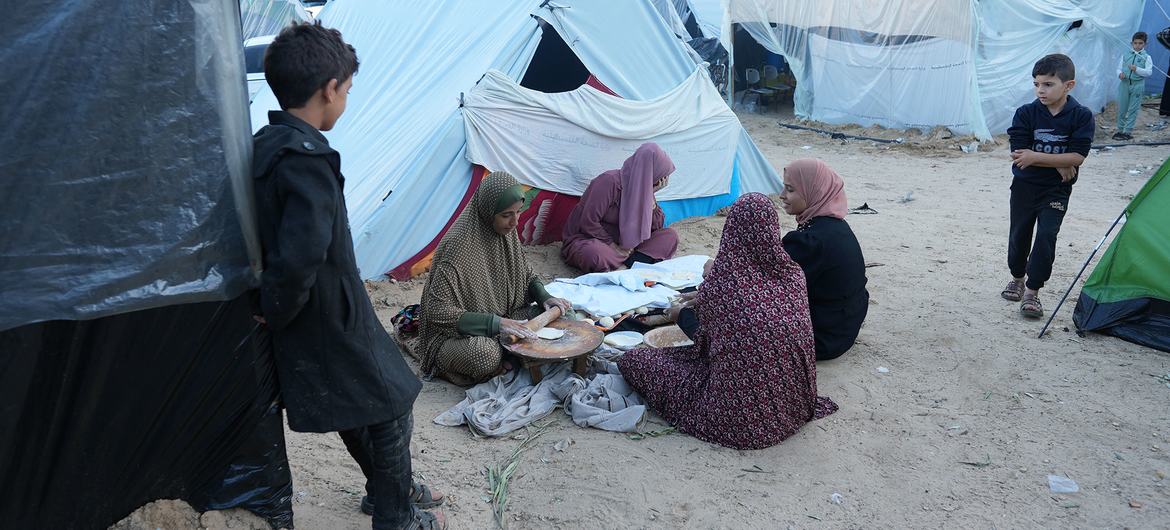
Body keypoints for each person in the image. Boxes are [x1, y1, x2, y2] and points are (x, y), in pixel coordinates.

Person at [251, 22, 445, 530]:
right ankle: (395, 515)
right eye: (348, 91)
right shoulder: (306, 159)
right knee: (392, 405)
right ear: (329, 89)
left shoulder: (269, 142)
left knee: (362, 404)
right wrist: (275, 309)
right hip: (328, 313)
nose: (347, 100)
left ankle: (384, 491)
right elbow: (301, 255)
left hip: (322, 311)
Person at [618, 193, 837, 450]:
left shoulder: (725, 284)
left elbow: (705, 342)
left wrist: (680, 314)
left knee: (634, 361)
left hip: (738, 417)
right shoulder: (792, 275)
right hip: (794, 405)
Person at [418, 171, 572, 386]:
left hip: (508, 316)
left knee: (566, 316)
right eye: (506, 215)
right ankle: (494, 358)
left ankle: (511, 353)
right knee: (484, 355)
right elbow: (436, 310)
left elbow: (525, 273)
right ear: (488, 212)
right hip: (460, 335)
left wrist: (544, 297)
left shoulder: (506, 233)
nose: (515, 222)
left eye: (518, 212)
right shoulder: (458, 246)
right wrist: (495, 324)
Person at [1002, 53, 1094, 318]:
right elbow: (1020, 155)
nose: (1040, 90)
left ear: (1069, 85)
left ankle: (1032, 292)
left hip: (1057, 190)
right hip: (1024, 187)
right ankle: (1018, 277)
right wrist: (1058, 161)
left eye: (1048, 84)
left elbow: (1078, 157)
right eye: (1037, 84)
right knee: (1019, 235)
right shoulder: (1026, 113)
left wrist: (1039, 157)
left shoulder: (1081, 116)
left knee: (1046, 237)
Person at [778, 159, 869, 361]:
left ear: (813, 191)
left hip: (822, 340)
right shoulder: (836, 227)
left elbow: (766, 285)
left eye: (790, 189)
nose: (782, 196)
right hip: (843, 329)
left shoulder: (811, 241)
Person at [561, 142, 679, 272]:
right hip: (596, 241)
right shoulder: (608, 182)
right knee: (594, 254)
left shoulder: (644, 189)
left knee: (670, 236)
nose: (661, 182)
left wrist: (650, 197)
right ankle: (634, 265)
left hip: (628, 249)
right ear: (649, 172)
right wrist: (613, 246)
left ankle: (626, 267)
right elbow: (588, 222)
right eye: (660, 177)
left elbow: (656, 227)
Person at [1114, 31, 1153, 141]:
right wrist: (1119, 74)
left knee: (1133, 109)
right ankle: (1120, 130)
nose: (1137, 45)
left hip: (1137, 85)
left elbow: (1149, 72)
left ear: (1145, 44)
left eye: (1140, 43)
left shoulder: (1147, 57)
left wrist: (1137, 69)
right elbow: (1118, 68)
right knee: (1122, 108)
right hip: (1125, 84)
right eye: (1135, 43)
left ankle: (1127, 131)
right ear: (1132, 43)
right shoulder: (1125, 55)